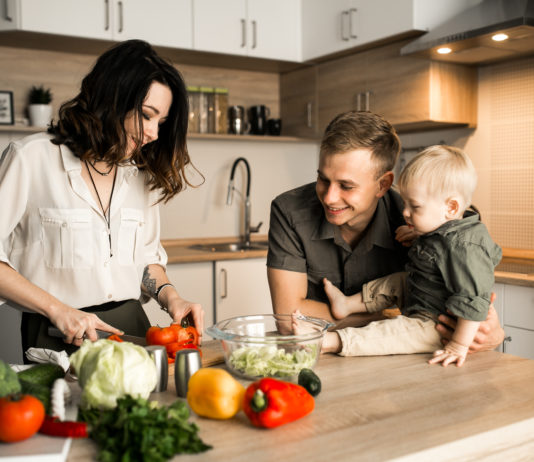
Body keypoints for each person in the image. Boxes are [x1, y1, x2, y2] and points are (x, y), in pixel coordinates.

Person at [0, 39, 204, 357]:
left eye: (161, 123)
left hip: (132, 329)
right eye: (147, 115)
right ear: (113, 98)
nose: (154, 133)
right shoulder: (30, 158)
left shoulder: (140, 174)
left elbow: (146, 259)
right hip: (59, 335)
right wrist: (57, 310)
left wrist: (170, 296)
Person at [267, 111, 505, 353]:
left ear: (383, 184)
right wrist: (394, 316)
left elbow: (472, 303)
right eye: (323, 179)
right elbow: (289, 320)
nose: (329, 198)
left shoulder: (419, 216)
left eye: (346, 186)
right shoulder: (290, 211)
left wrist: (492, 333)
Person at [319, 145, 502, 366]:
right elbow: (439, 254)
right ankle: (347, 304)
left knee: (396, 331)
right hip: (423, 295)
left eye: (414, 206)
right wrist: (418, 233)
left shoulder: (466, 247)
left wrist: (458, 345)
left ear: (451, 207)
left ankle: (332, 341)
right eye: (405, 203)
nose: (405, 212)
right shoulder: (443, 227)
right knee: (398, 281)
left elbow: (473, 302)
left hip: (434, 323)